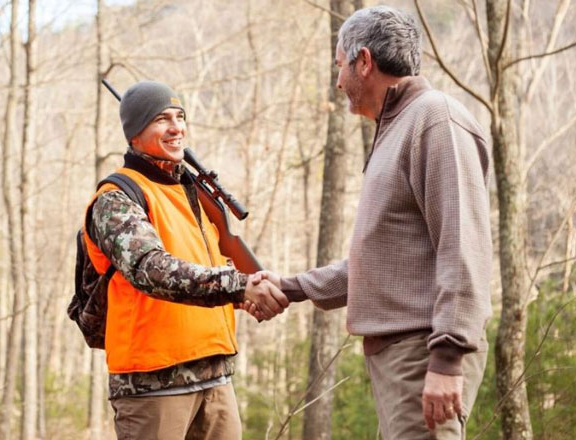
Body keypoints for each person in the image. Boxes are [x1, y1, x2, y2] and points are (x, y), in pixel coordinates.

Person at [251, 6, 492, 439]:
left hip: (424, 354)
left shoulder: (435, 119)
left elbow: (463, 245)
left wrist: (447, 358)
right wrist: (291, 286)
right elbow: (383, 260)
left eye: (340, 66)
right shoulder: (395, 128)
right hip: (401, 359)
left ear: (365, 62)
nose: (338, 81)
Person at [84, 80, 287, 440]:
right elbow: (153, 271)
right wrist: (239, 284)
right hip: (153, 386)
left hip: (216, 378)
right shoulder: (116, 198)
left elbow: (199, 267)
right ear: (134, 134)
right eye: (162, 119)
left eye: (180, 117)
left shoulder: (192, 192)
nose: (177, 127)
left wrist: (244, 296)